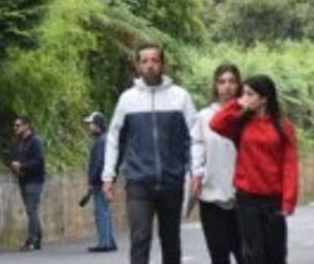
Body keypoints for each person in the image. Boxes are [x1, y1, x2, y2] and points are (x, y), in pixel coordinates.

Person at [103, 43, 198, 264]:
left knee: (171, 240)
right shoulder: (127, 99)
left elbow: (194, 137)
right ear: (137, 66)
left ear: (163, 64)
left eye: (155, 60)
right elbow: (114, 139)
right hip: (139, 182)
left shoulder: (180, 97)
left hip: (172, 181)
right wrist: (108, 175)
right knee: (140, 238)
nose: (150, 65)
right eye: (144, 61)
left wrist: (195, 170)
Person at [209, 76, 300, 264]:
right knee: (252, 254)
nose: (244, 98)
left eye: (250, 94)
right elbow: (215, 124)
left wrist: (288, 200)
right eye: (243, 93)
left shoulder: (283, 126)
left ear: (264, 98)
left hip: (273, 199)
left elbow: (289, 164)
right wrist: (236, 104)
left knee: (276, 254)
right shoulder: (241, 122)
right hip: (247, 199)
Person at [192, 63, 243, 264]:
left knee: (246, 254)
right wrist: (197, 172)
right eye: (222, 82)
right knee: (219, 255)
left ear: (239, 85)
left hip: (243, 196)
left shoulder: (247, 115)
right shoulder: (204, 117)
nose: (227, 86)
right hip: (212, 195)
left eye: (232, 81)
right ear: (215, 85)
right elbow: (197, 145)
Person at [10, 115, 47, 251]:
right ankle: (37, 238)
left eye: (18, 125)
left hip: (35, 180)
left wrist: (22, 165)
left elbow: (39, 161)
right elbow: (15, 157)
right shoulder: (20, 142)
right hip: (23, 179)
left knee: (32, 209)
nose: (15, 128)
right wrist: (14, 167)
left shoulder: (35, 141)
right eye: (14, 126)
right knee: (31, 210)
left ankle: (31, 240)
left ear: (27, 126)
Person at [83, 111, 116, 254]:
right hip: (105, 179)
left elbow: (99, 162)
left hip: (100, 181)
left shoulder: (101, 141)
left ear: (98, 124)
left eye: (91, 124)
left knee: (101, 212)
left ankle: (104, 243)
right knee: (105, 211)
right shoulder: (105, 139)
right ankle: (109, 242)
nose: (89, 127)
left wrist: (92, 180)